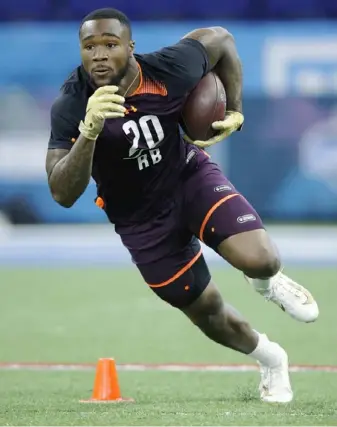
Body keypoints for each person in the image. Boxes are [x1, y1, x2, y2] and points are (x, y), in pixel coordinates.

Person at [45, 8, 319, 403]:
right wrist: (88, 132)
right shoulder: (71, 105)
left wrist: (235, 110)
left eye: (110, 44)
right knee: (209, 313)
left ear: (131, 47)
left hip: (188, 179)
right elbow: (61, 193)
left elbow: (222, 39)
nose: (100, 55)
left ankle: (266, 282)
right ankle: (272, 359)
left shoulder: (168, 69)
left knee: (262, 259)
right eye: (90, 47)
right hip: (140, 219)